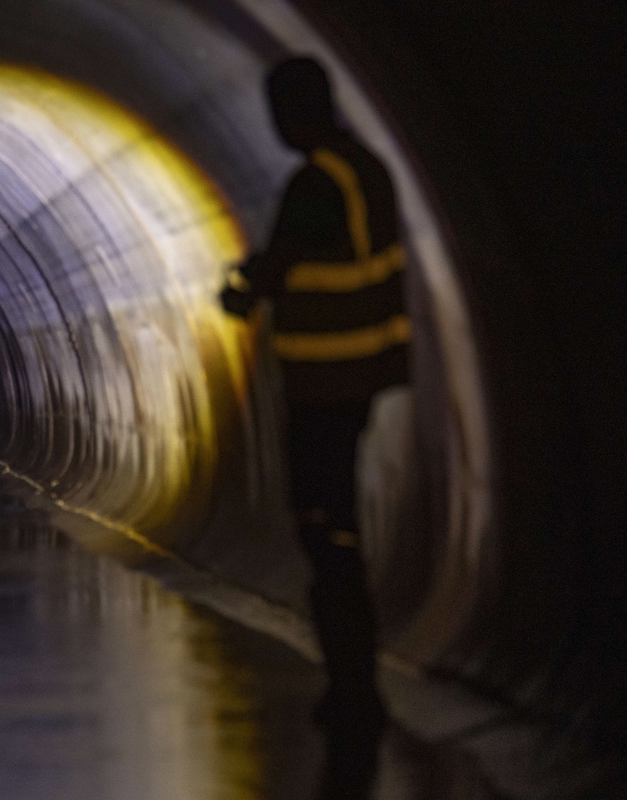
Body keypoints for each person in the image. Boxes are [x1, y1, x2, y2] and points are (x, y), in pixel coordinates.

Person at [221, 56, 409, 799]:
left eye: (278, 112)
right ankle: (353, 683)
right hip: (361, 375)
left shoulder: (315, 181)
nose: (275, 127)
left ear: (297, 111)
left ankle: (354, 690)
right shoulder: (368, 169)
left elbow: (286, 264)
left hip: (326, 377)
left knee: (326, 531)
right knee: (338, 530)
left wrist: (246, 291)